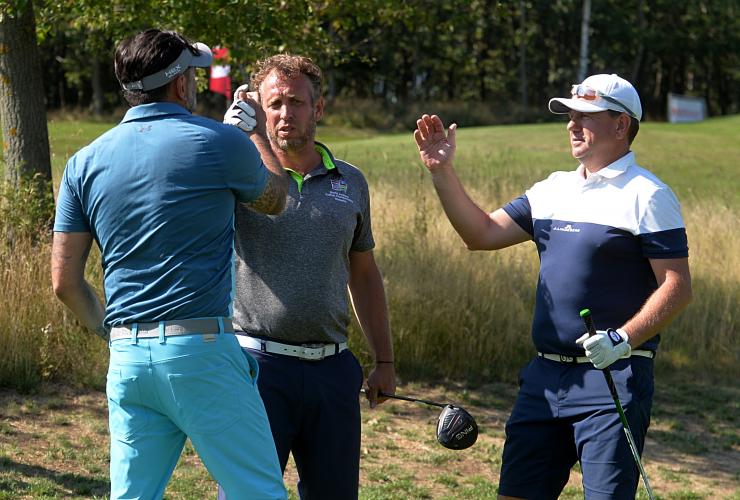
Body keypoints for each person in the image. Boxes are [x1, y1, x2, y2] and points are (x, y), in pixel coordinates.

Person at [414, 74, 692, 499]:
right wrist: (442, 172)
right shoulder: (553, 188)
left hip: (613, 378)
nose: (571, 125)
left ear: (621, 125)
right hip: (544, 378)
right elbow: (481, 234)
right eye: (570, 116)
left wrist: (622, 338)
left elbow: (677, 286)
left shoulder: (648, 195)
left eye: (585, 116)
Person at [51, 28, 289, 499]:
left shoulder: (83, 162)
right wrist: (254, 134)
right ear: (181, 84)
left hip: (127, 359)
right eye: (193, 76)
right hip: (201, 354)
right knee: (258, 493)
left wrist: (109, 333)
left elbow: (64, 282)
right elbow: (276, 198)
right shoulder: (220, 141)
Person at [217, 54, 396, 500]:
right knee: (246, 495)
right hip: (255, 368)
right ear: (258, 109)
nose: (285, 113)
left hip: (332, 371)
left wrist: (384, 361)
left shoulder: (350, 181)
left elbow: (363, 273)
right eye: (274, 103)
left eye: (296, 102)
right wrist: (230, 138)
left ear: (318, 108)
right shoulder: (238, 176)